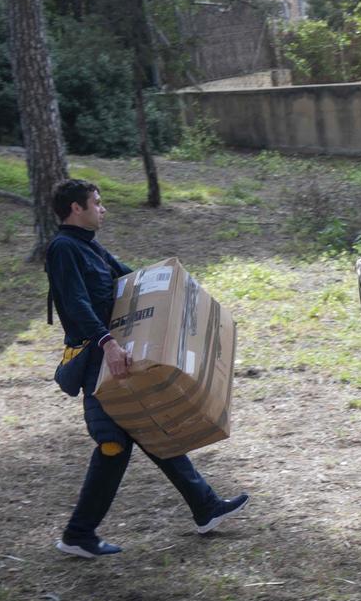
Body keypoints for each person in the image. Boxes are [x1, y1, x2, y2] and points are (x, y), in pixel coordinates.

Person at [42, 178, 248, 558]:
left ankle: (204, 506)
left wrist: (180, 291)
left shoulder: (90, 248)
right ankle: (78, 534)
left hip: (111, 355)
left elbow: (132, 280)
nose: (103, 209)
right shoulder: (63, 249)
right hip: (97, 360)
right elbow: (75, 305)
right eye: (97, 203)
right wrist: (108, 344)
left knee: (145, 429)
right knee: (115, 442)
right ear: (76, 208)